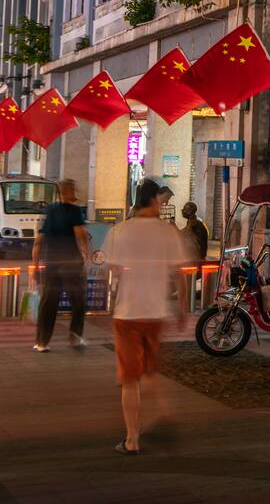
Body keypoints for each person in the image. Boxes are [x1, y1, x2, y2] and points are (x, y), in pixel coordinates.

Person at [102, 178, 189, 455]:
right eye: (161, 201)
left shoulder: (119, 231)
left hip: (127, 314)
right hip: (156, 313)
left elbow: (111, 269)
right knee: (149, 369)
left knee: (130, 379)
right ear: (153, 201)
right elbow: (179, 275)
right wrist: (183, 309)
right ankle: (164, 411)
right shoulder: (168, 233)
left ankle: (131, 439)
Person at [32, 179, 89, 352]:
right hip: (70, 263)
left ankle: (42, 342)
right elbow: (81, 235)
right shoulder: (75, 211)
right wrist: (85, 254)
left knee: (48, 302)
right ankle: (75, 337)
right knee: (78, 300)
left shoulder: (50, 210)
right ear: (70, 191)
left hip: (51, 262)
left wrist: (35, 263)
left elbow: (39, 240)